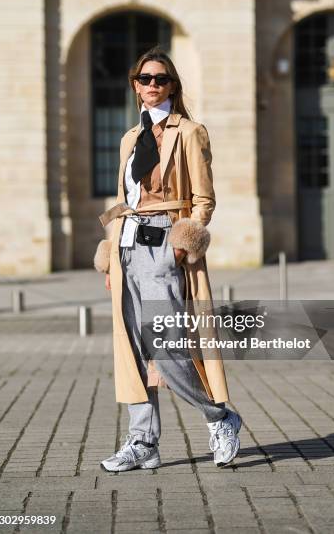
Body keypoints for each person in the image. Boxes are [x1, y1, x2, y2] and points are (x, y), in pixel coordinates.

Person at [94, 46, 241, 472]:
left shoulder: (190, 132)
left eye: (160, 79)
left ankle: (220, 417)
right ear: (135, 85)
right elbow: (124, 200)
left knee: (169, 345)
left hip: (165, 246)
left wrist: (182, 244)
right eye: (145, 79)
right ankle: (143, 442)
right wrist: (111, 256)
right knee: (134, 351)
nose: (152, 86)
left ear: (172, 85)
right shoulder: (128, 138)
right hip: (127, 246)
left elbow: (204, 199)